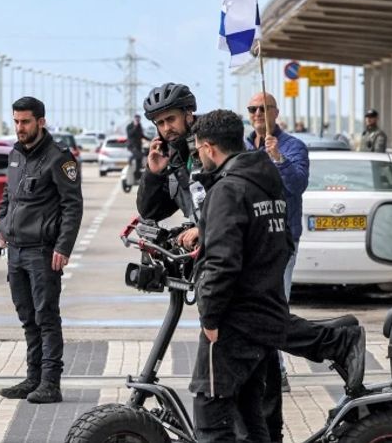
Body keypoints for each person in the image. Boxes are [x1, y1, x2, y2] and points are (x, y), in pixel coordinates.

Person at [136, 83, 366, 443]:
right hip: (227, 259)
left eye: (171, 119)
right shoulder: (177, 160)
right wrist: (154, 173)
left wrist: (206, 228)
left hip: (244, 255)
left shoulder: (218, 148)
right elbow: (152, 209)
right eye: (160, 123)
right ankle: (333, 342)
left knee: (253, 347)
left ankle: (333, 344)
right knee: (255, 342)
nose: (166, 128)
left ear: (189, 115)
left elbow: (235, 198)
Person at [187, 109, 290, 441]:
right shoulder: (266, 179)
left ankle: (338, 340)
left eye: (199, 148)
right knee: (250, 410)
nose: (199, 155)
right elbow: (283, 243)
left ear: (210, 147)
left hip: (233, 319)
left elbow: (222, 262)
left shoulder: (228, 189)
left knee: (211, 412)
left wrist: (210, 317)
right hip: (262, 310)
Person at [0, 96, 83, 404]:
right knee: (27, 317)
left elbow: (72, 205)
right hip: (16, 251)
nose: (20, 128)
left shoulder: (59, 158)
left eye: (26, 122)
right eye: (17, 121)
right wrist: (2, 224)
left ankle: (50, 383)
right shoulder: (15, 155)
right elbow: (9, 194)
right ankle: (33, 378)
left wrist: (64, 246)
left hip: (43, 252)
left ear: (41, 122)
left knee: (46, 317)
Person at [244, 93, 309, 389]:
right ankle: (256, 367)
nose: (257, 114)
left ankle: (276, 370)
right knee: (249, 307)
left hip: (280, 240)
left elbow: (297, 186)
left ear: (275, 112)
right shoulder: (242, 147)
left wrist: (278, 159)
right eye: (252, 109)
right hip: (248, 240)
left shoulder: (293, 147)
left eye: (263, 109)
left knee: (275, 305)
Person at [125, 114, 149, 181]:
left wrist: (150, 139)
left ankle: (137, 176)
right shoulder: (129, 126)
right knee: (140, 156)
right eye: (136, 119)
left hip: (138, 146)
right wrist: (135, 126)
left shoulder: (139, 126)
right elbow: (130, 134)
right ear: (134, 119)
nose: (138, 120)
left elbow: (141, 135)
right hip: (132, 146)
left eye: (139, 119)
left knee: (139, 162)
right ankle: (130, 158)